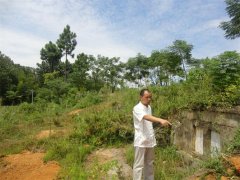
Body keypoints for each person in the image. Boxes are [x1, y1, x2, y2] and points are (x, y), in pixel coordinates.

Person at [133, 88, 171, 180]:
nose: (149, 99)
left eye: (150, 97)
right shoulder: (137, 108)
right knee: (139, 165)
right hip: (141, 141)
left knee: (149, 163)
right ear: (141, 97)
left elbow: (149, 120)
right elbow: (146, 117)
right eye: (147, 97)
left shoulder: (149, 107)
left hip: (150, 139)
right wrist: (160, 120)